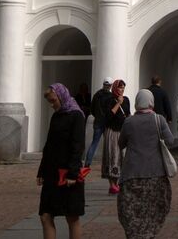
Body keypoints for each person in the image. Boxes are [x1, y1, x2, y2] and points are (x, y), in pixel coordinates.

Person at [118, 88, 178, 239]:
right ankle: (149, 234)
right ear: (151, 102)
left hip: (131, 173)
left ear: (137, 103)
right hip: (156, 173)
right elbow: (171, 141)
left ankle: (135, 235)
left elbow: (121, 144)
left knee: (131, 209)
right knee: (153, 208)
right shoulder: (159, 120)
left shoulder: (129, 122)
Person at [37, 84, 86, 239]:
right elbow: (49, 144)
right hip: (52, 172)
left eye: (54, 101)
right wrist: (42, 170)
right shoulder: (56, 115)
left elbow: (77, 145)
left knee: (71, 216)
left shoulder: (76, 116)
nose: (52, 105)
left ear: (61, 96)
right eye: (50, 102)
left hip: (68, 173)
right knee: (45, 215)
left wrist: (73, 173)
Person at [101, 78, 131, 194]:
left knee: (121, 157)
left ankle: (117, 182)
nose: (122, 89)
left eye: (123, 87)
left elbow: (128, 114)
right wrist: (118, 103)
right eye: (120, 87)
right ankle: (111, 184)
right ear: (115, 88)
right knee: (112, 156)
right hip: (112, 132)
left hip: (122, 131)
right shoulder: (109, 100)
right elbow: (108, 116)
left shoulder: (126, 100)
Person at [86, 80, 113, 168]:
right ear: (110, 86)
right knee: (108, 144)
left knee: (94, 143)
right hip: (107, 123)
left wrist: (98, 116)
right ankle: (109, 163)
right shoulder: (111, 96)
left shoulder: (97, 95)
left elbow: (92, 109)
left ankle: (87, 163)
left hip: (98, 122)